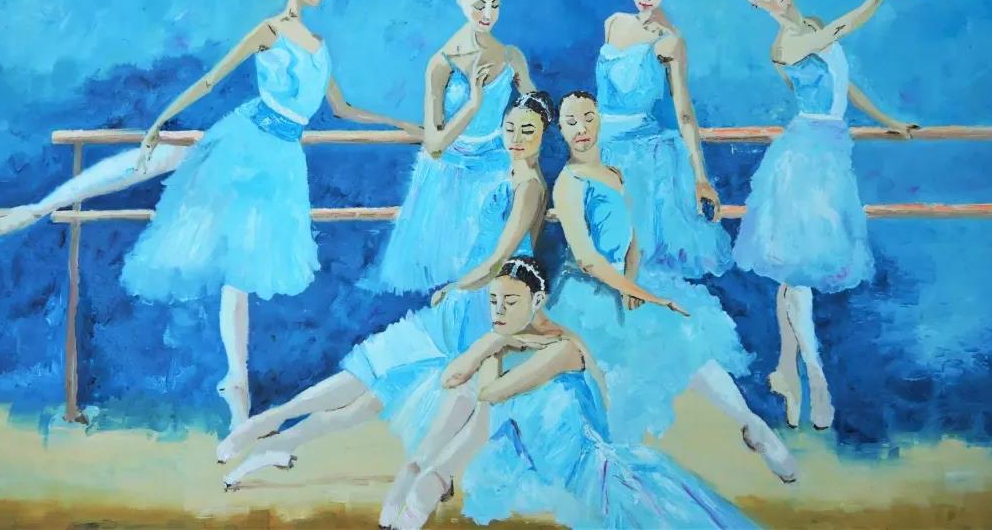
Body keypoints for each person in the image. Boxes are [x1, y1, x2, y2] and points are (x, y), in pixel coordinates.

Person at [0, 0, 421, 430]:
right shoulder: (269, 31)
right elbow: (211, 80)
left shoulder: (320, 45)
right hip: (247, 137)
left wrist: (402, 126)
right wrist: (159, 122)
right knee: (168, 162)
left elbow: (343, 108)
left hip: (282, 159)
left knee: (240, 266)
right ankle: (39, 207)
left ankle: (236, 390)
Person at [217, 93, 553, 493]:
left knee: (374, 392)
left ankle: (275, 434)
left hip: (483, 303)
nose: (516, 138)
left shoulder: (529, 186)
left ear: (543, 134)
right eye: (510, 128)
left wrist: (459, 286)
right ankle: (271, 429)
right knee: (371, 372)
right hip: (466, 298)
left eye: (527, 131)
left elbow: (502, 256)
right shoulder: (504, 174)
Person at [383, 256, 760, 530]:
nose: (499, 311)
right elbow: (452, 378)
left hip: (590, 475)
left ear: (537, 301)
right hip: (547, 465)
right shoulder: (511, 341)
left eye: (510, 303)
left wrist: (494, 344)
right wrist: (494, 342)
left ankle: (417, 498)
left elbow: (491, 393)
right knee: (462, 426)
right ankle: (411, 502)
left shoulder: (563, 348)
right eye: (493, 302)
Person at [549, 91, 796, 482]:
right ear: (560, 130)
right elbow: (587, 259)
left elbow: (632, 240)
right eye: (571, 122)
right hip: (587, 295)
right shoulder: (568, 183)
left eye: (588, 117)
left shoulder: (614, 173)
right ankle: (615, 470)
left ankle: (752, 424)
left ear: (600, 119)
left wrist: (632, 282)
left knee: (687, 336)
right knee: (617, 373)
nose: (581, 128)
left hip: (626, 284)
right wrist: (640, 294)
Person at [734, 0, 927, 429]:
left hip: (831, 152)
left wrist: (889, 121)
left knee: (793, 276)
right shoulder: (785, 46)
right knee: (797, 274)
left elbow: (845, 85)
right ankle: (816, 378)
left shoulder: (811, 26)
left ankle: (787, 370)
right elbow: (841, 30)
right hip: (805, 158)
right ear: (755, 4)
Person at [365, 0, 536, 294]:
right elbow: (434, 145)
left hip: (497, 169)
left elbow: (536, 111)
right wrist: (473, 103)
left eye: (495, 5)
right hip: (448, 175)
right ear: (460, 0)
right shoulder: (441, 64)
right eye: (479, 5)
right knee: (448, 274)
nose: (488, 14)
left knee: (496, 269)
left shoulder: (511, 57)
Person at [598, 0, 732, 277]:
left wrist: (701, 178)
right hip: (601, 149)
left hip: (641, 158)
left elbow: (684, 113)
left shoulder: (670, 40)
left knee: (639, 254)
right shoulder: (613, 24)